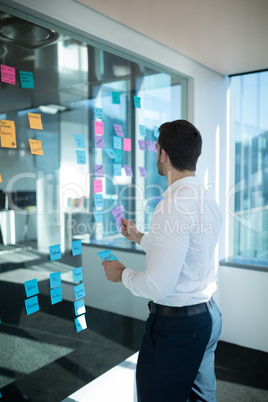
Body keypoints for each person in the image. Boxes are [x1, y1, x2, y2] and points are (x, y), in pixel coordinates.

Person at [101, 119, 222, 402]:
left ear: (162, 154)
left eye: (156, 148)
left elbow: (157, 286)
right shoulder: (207, 199)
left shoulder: (172, 206)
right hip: (207, 317)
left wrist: (122, 274)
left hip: (178, 329)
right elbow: (187, 252)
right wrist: (140, 237)